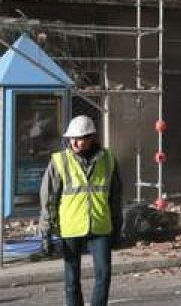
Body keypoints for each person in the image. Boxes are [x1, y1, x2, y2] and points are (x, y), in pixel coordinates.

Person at [40, 115, 122, 306]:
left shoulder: (108, 159)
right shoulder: (59, 161)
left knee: (104, 273)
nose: (75, 142)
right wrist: (46, 232)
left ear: (91, 138)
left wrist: (117, 227)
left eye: (80, 138)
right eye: (72, 138)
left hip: (100, 225)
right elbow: (48, 198)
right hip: (71, 226)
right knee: (72, 277)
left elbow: (115, 196)